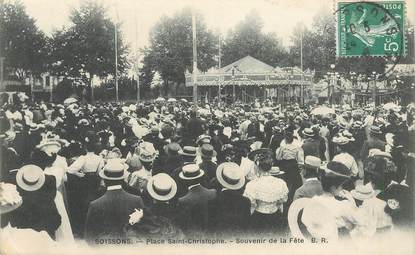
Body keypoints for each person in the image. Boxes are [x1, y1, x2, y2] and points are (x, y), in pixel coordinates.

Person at [84, 159, 145, 244]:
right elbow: (144, 230)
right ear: (123, 178)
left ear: (105, 180)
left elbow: (89, 237)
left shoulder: (95, 205)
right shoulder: (137, 200)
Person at [301, 161, 366, 241]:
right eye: (341, 185)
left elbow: (305, 221)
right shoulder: (344, 206)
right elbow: (361, 220)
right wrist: (352, 202)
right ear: (334, 187)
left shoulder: (312, 202)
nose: (342, 188)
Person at [243, 148, 289, 236]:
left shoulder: (252, 185)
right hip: (276, 217)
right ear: (271, 165)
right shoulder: (281, 183)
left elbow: (251, 204)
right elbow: (283, 200)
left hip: (258, 219)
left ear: (256, 166)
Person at [9, 165, 61, 240]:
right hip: (43, 236)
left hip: (22, 237)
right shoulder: (47, 200)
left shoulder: (18, 200)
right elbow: (56, 221)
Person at [209, 162, 251, 237]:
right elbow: (246, 224)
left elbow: (212, 224)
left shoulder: (215, 199)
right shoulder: (245, 201)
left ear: (222, 181)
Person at [176, 164, 217, 237]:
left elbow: (185, 225)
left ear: (185, 180)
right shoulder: (213, 192)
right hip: (213, 234)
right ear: (200, 177)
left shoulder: (183, 201)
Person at [275, 126, 304, 204]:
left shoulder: (282, 147)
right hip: (293, 165)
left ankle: (284, 196)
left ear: (285, 139)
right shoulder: (297, 147)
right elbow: (300, 159)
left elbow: (278, 158)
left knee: (285, 181)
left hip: (284, 165)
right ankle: (292, 198)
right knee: (295, 182)